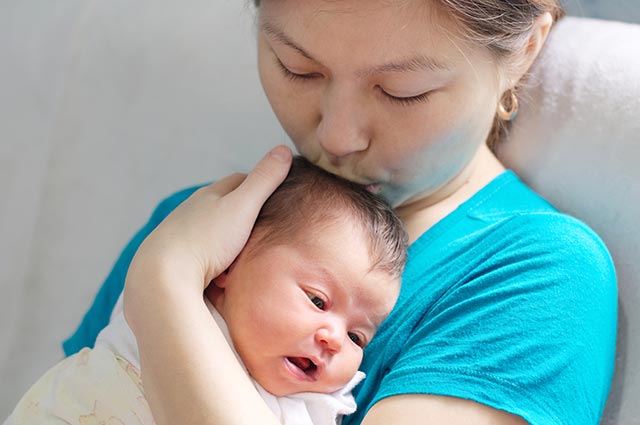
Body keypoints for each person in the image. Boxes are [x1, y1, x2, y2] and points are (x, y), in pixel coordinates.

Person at [63, 1, 618, 424]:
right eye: (297, 69)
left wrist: (165, 284)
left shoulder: (537, 278)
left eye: (402, 91)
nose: (336, 135)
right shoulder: (197, 224)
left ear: (523, 50)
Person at [5, 157, 407, 425]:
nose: (334, 339)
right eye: (317, 300)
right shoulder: (166, 303)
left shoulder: (314, 407)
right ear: (227, 264)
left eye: (358, 336)